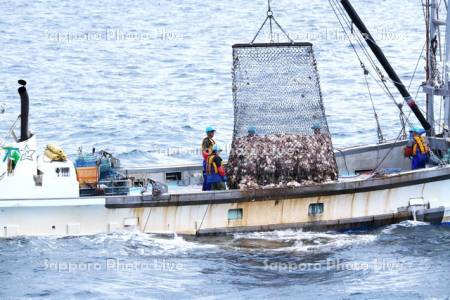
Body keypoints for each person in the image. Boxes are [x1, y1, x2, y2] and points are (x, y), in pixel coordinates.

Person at [201, 126, 216, 191]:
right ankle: (207, 190)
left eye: (213, 132)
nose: (213, 133)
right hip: (207, 161)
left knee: (209, 176)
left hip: (211, 160)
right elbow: (206, 152)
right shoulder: (206, 141)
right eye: (211, 132)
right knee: (208, 176)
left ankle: (205, 190)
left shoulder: (211, 140)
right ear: (208, 133)